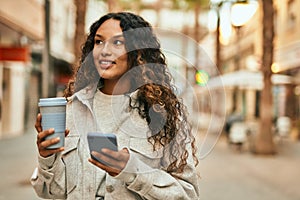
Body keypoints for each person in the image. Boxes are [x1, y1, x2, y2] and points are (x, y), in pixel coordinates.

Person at [31, 12, 200, 199]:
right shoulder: (71, 110)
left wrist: (132, 171)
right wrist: (47, 158)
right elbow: (52, 192)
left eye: (117, 43)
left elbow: (187, 195)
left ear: (138, 51)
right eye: (99, 42)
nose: (104, 50)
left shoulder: (162, 115)